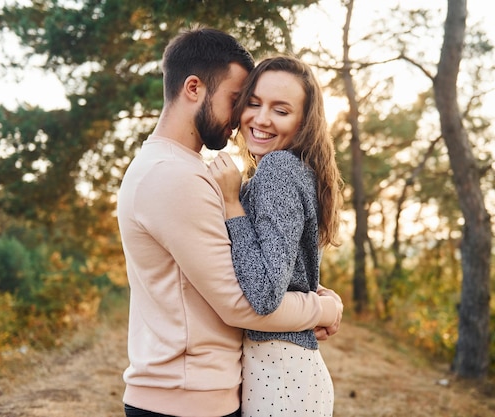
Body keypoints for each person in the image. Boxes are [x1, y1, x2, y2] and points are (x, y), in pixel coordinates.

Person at [116, 28, 343, 417]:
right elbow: (243, 303)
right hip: (187, 398)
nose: (244, 118)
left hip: (200, 391)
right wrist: (321, 309)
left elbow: (255, 269)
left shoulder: (183, 169)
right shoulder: (175, 177)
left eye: (281, 109)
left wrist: (317, 291)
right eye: (240, 101)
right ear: (193, 88)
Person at [208, 55, 344, 417]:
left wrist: (232, 204)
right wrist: (324, 304)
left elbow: (266, 293)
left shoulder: (277, 170)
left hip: (281, 375)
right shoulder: (292, 169)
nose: (261, 118)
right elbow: (287, 268)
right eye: (253, 103)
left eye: (280, 110)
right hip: (286, 369)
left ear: (303, 122)